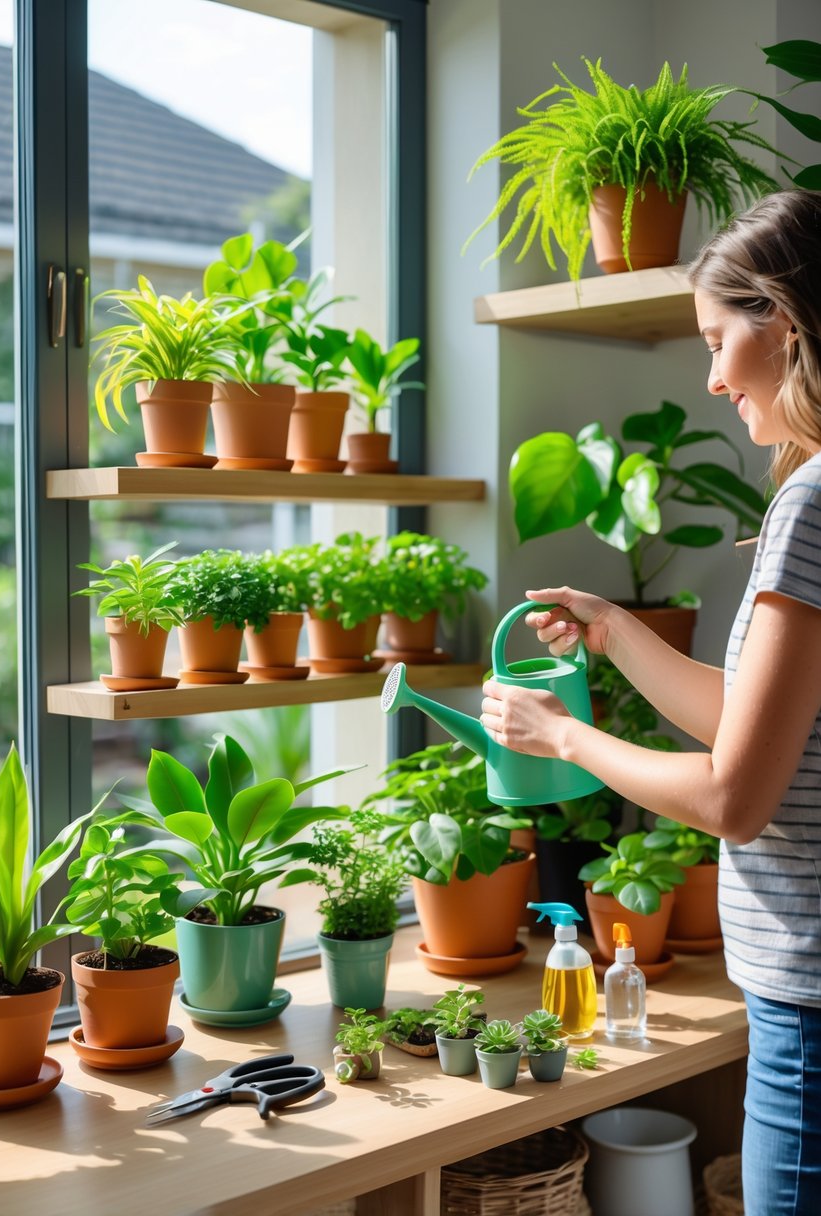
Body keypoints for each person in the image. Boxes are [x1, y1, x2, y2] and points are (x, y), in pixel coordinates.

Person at [481, 190, 821, 1216]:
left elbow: (733, 798)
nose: (713, 377)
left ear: (786, 323)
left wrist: (563, 735)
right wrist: (615, 632)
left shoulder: (809, 503)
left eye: (719, 340)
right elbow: (761, 730)